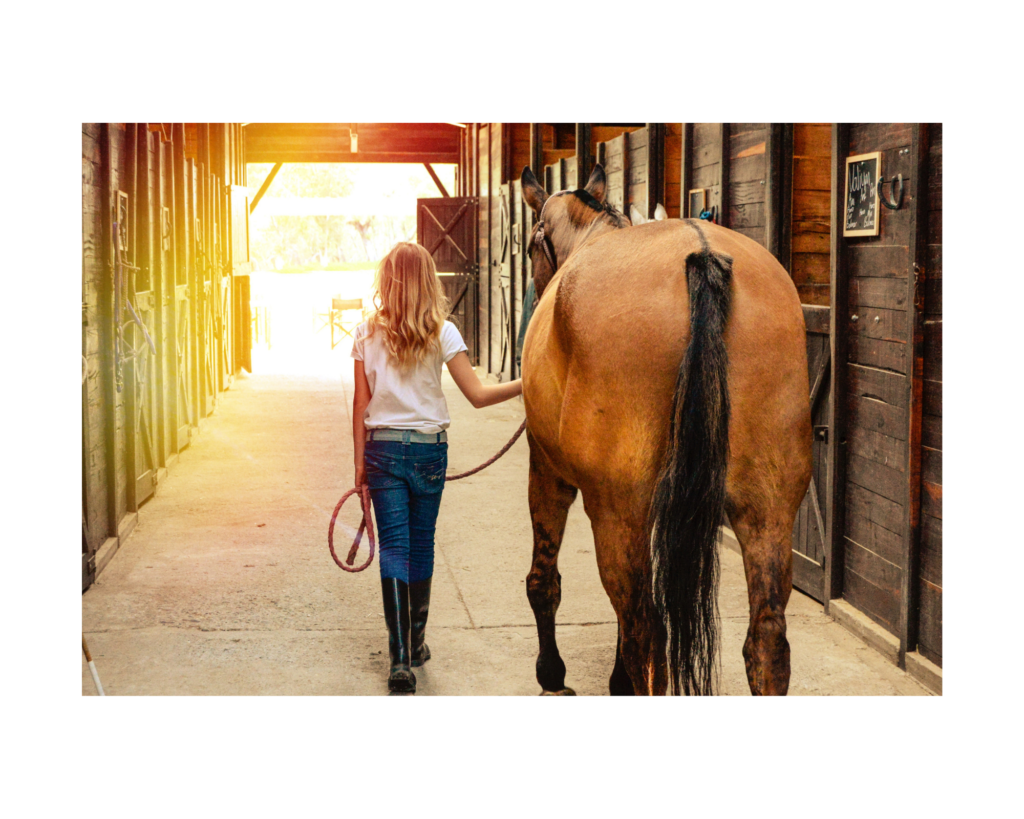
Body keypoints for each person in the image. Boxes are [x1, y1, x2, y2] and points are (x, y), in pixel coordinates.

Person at [351, 242, 523, 694]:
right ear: (428, 280)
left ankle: (399, 660)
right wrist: (531, 381)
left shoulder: (364, 334)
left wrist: (358, 468)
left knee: (393, 546)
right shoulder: (443, 332)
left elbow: (359, 405)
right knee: (421, 545)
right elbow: (479, 396)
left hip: (382, 451)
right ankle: (417, 640)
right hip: (429, 451)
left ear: (387, 280)